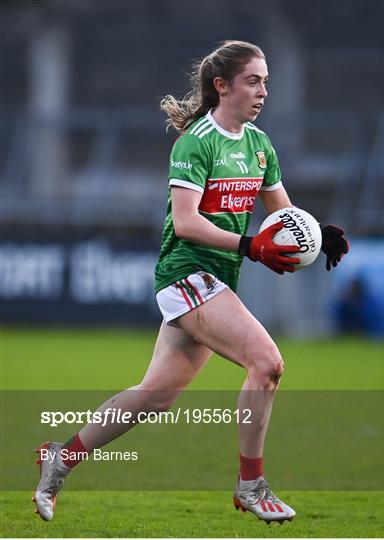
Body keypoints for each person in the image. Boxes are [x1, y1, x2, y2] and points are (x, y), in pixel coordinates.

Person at [33, 40, 349, 524]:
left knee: (156, 395)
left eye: (266, 81)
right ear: (222, 86)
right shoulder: (195, 142)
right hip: (185, 273)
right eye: (253, 81)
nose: (263, 91)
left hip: (218, 279)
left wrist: (318, 235)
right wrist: (250, 246)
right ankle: (251, 484)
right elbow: (185, 223)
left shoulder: (260, 145)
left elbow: (283, 214)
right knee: (266, 363)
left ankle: (61, 457)